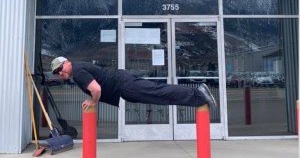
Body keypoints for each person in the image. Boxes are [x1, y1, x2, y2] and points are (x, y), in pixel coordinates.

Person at [51, 57, 217, 112]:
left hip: (124, 85)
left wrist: (93, 101)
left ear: (67, 62)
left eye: (59, 68)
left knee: (160, 93)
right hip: (124, 85)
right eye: (56, 73)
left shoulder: (78, 71)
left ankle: (199, 94)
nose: (59, 73)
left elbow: (96, 88)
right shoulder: (78, 69)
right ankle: (197, 95)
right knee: (159, 94)